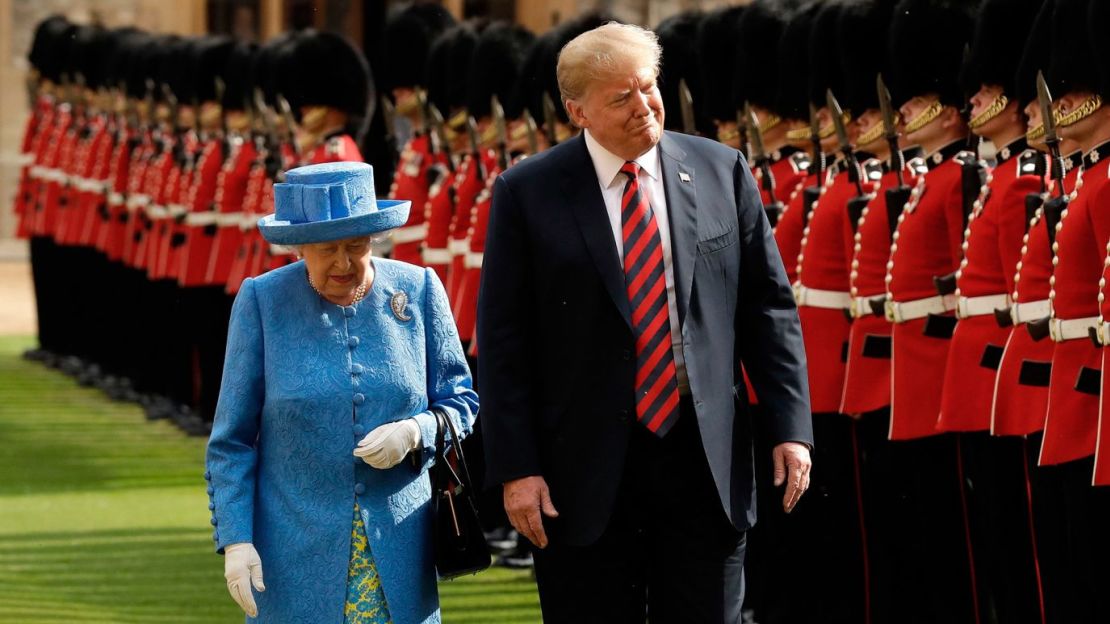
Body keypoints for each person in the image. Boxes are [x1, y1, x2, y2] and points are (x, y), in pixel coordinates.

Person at [477, 22, 813, 622]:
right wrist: (515, 469)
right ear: (578, 111)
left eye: (648, 88)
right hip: (581, 469)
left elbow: (768, 309)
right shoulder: (528, 192)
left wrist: (791, 427)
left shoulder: (721, 169)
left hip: (704, 459)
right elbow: (505, 343)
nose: (643, 107)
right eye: (620, 98)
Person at [205, 161, 479, 623]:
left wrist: (416, 431)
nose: (343, 263)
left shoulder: (418, 289)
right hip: (293, 556)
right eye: (326, 249)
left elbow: (461, 401)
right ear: (298, 249)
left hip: (400, 549)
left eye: (356, 246)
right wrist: (236, 538)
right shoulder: (262, 302)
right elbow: (231, 442)